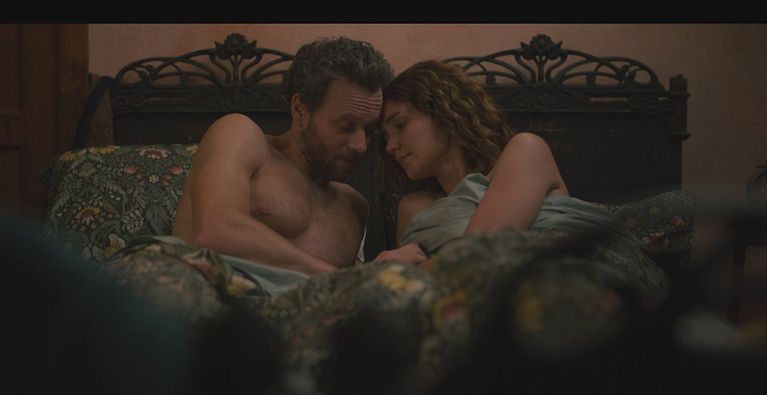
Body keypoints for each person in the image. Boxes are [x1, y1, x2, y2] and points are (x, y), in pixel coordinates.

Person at [374, 60, 670, 303]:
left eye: (400, 124)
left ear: (444, 111)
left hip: (580, 287)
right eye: (386, 137)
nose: (391, 146)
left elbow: (477, 257)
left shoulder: (526, 150)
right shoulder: (412, 209)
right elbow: (414, 295)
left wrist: (397, 271)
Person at [166, 37, 393, 295]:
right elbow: (214, 231)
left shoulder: (354, 207)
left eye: (370, 130)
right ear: (300, 110)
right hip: (196, 303)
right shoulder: (242, 135)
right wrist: (346, 280)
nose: (360, 145)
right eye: (346, 126)